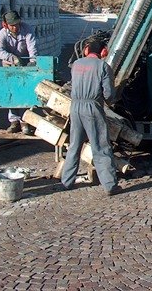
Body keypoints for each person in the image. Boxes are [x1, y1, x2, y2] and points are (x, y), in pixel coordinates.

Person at [60, 40, 120, 196]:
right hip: (92, 108)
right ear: (103, 53)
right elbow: (108, 94)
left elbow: (72, 85)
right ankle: (109, 185)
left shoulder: (77, 64)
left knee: (74, 145)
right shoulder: (102, 66)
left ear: (86, 51)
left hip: (75, 107)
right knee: (100, 146)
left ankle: (66, 181)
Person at [0, 10, 38, 135]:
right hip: (9, 65)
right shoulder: (2, 34)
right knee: (12, 91)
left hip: (25, 63)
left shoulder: (27, 29)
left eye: (17, 24)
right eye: (12, 25)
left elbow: (32, 47)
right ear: (5, 25)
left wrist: (33, 61)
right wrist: (12, 58)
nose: (15, 27)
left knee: (26, 91)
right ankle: (14, 121)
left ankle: (26, 121)